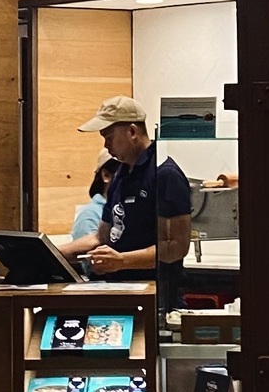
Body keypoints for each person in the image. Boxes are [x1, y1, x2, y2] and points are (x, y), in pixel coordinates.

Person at [77, 98, 193, 298]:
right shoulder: (121, 174)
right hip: (118, 291)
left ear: (132, 132)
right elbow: (101, 238)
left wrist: (122, 261)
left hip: (155, 297)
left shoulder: (164, 173)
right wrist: (53, 252)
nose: (106, 145)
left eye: (109, 137)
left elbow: (174, 247)